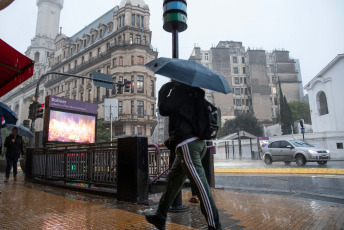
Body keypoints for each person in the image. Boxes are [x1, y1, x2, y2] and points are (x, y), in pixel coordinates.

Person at [146, 81, 222, 230]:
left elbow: (163, 109)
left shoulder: (180, 92)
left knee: (200, 186)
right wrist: (170, 142)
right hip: (196, 144)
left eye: (173, 79)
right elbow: (186, 121)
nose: (171, 81)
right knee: (173, 181)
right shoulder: (194, 93)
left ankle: (215, 225)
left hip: (188, 146)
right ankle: (160, 216)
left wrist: (164, 88)